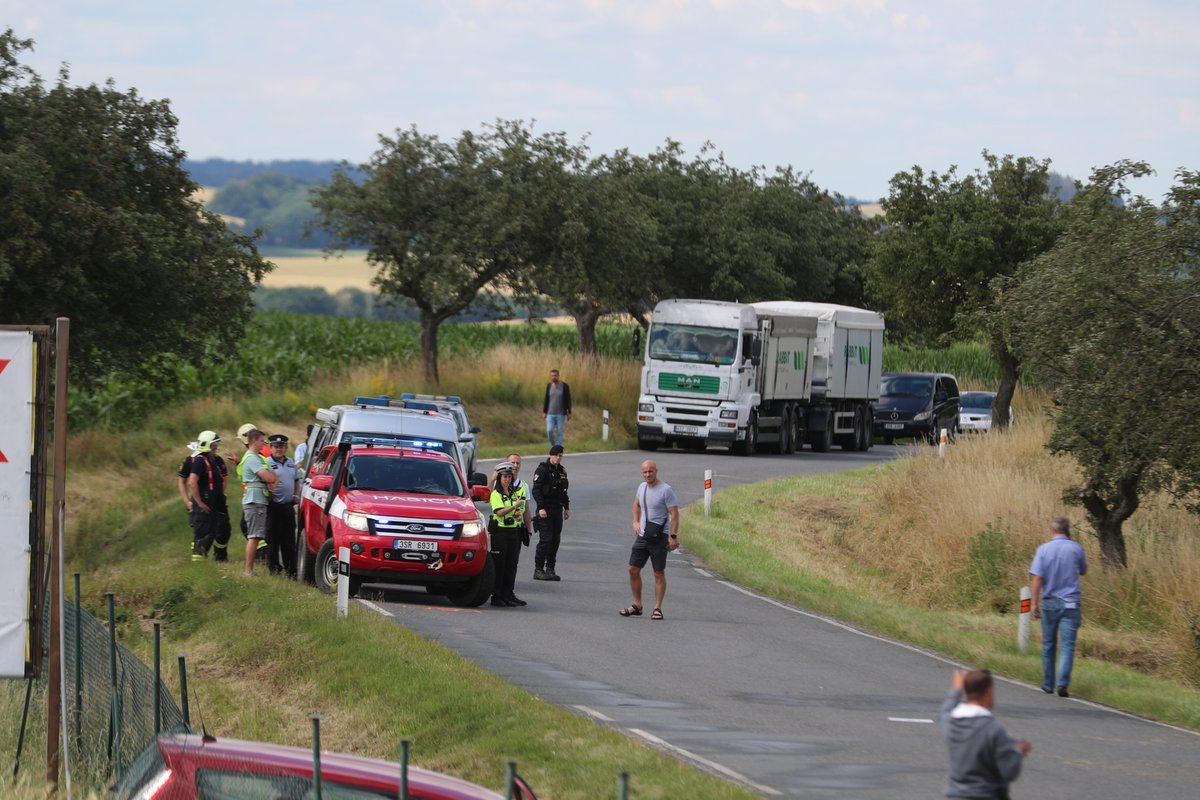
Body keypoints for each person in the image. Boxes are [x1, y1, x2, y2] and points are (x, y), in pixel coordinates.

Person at [940, 668, 1031, 799]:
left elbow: (945, 711)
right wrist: (1017, 752)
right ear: (988, 692)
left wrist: (956, 691)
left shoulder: (951, 722)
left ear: (967, 691)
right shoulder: (992, 730)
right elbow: (1009, 771)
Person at [1030, 516, 1088, 697]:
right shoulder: (1076, 548)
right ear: (1068, 529)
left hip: (1050, 601)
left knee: (1048, 644)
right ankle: (1062, 683)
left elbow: (1038, 578)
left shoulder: (1043, 549)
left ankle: (1048, 683)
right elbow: (1083, 570)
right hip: (1070, 602)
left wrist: (1033, 603)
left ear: (1052, 530)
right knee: (1068, 645)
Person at [620, 460, 679, 620]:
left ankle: (657, 608)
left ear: (656, 471)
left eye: (650, 471)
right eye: (645, 472)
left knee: (658, 573)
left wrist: (672, 537)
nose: (647, 475)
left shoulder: (666, 490)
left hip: (659, 537)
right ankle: (637, 605)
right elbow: (636, 504)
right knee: (633, 570)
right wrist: (635, 522)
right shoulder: (642, 487)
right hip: (643, 536)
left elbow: (674, 513)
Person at [238, 424, 278, 577]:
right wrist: (271, 475)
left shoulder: (256, 458)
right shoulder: (252, 459)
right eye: (262, 440)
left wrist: (271, 475)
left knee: (256, 535)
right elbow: (269, 477)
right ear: (253, 441)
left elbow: (272, 477)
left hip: (258, 499)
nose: (264, 443)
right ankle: (248, 571)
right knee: (254, 536)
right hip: (254, 500)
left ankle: (250, 570)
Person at [188, 430, 232, 562]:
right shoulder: (200, 461)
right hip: (205, 504)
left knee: (216, 532)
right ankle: (198, 569)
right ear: (206, 444)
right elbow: (192, 481)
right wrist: (200, 503)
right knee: (203, 535)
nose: (216, 447)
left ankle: (219, 558)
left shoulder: (211, 460)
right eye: (214, 444)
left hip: (214, 502)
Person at [487, 463, 527, 607]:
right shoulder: (496, 494)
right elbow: (499, 512)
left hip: (513, 531)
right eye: (504, 477)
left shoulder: (514, 492)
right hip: (501, 533)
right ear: (499, 478)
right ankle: (497, 596)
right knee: (500, 565)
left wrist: (518, 511)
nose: (507, 479)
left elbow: (521, 507)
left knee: (511, 565)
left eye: (509, 477)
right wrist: (514, 506)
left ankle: (508, 594)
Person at [531, 444, 570, 581]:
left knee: (555, 540)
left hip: (557, 509)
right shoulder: (542, 469)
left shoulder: (562, 471)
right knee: (546, 540)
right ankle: (538, 569)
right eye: (556, 455)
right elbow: (536, 490)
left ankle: (550, 569)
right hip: (545, 509)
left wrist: (566, 507)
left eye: (560, 456)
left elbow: (563, 491)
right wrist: (540, 507)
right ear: (551, 455)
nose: (558, 458)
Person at [265, 433, 299, 578]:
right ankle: (274, 569)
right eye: (276, 446)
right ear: (271, 448)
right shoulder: (266, 462)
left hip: (288, 506)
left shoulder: (291, 462)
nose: (279, 449)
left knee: (289, 540)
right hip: (273, 506)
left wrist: (296, 495)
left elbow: (296, 480)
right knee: (272, 539)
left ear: (286, 448)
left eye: (282, 446)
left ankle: (291, 570)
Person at [177, 440, 201, 541]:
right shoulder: (188, 461)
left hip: (211, 499)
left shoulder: (214, 459)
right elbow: (181, 482)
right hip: (196, 502)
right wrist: (188, 503)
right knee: (199, 532)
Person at [542, 369, 572, 448]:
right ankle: (554, 446)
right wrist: (544, 411)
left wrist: (569, 412)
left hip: (560, 414)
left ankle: (558, 449)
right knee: (549, 431)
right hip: (550, 414)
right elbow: (546, 399)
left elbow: (568, 399)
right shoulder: (549, 386)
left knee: (559, 432)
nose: (553, 377)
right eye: (552, 376)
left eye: (555, 375)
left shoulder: (564, 386)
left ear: (558, 376)